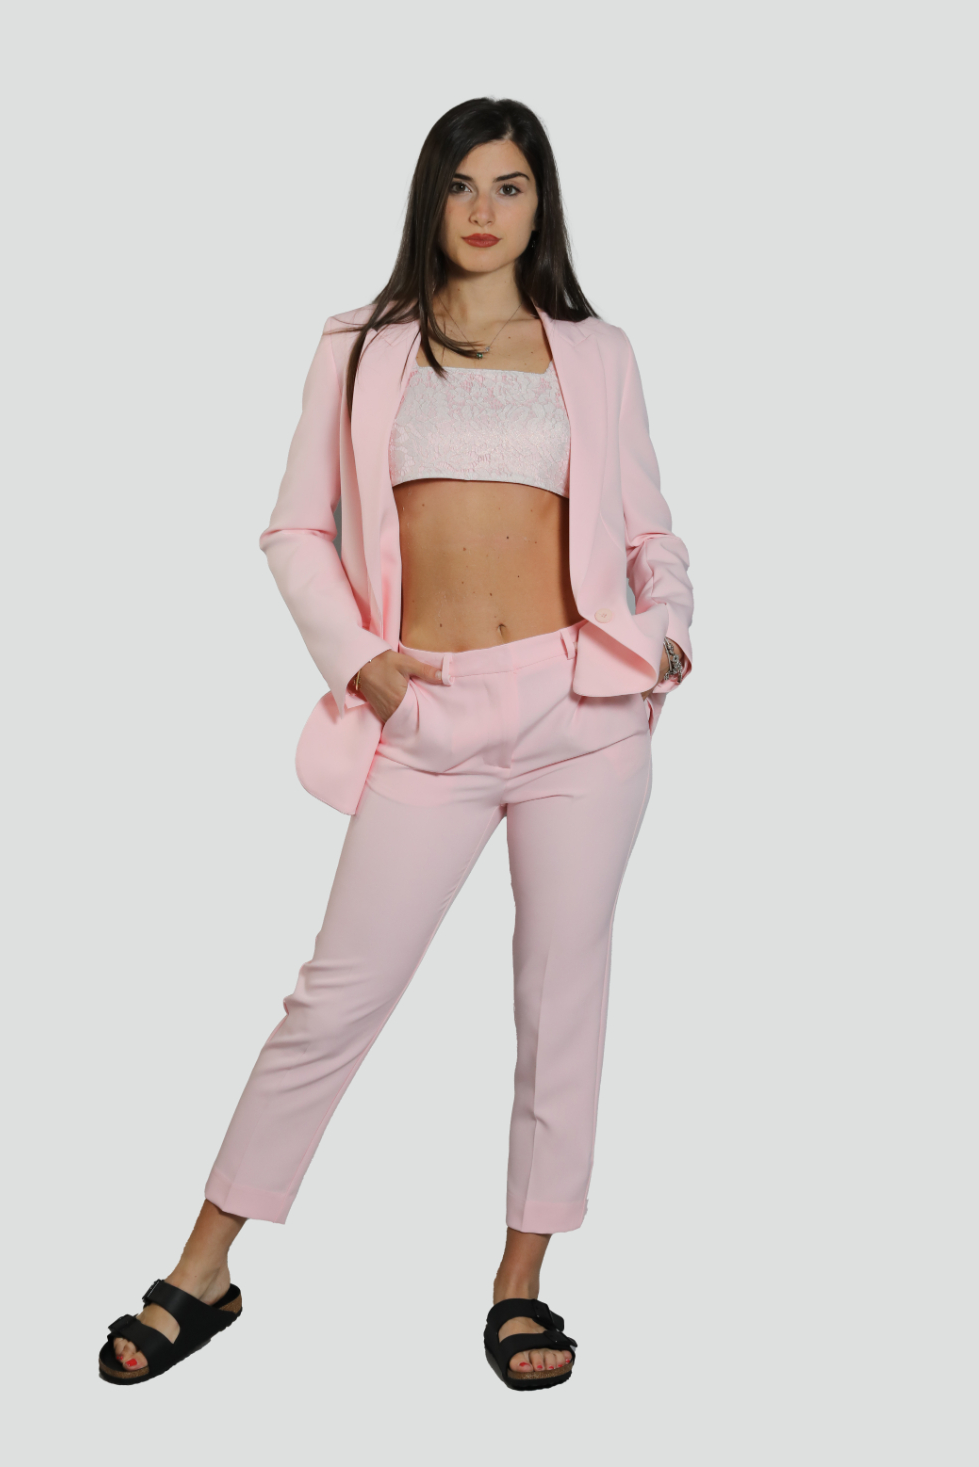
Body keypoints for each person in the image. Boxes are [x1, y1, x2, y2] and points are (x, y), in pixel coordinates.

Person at [99, 95, 694, 1393]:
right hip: (427, 712)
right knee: (334, 998)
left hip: (581, 714)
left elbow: (650, 532)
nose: (485, 210)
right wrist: (359, 661)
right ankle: (205, 1265)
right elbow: (293, 526)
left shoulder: (596, 352)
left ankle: (520, 1284)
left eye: (511, 186)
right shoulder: (363, 344)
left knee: (562, 999)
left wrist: (666, 637)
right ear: (431, 196)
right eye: (463, 184)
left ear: (541, 204)